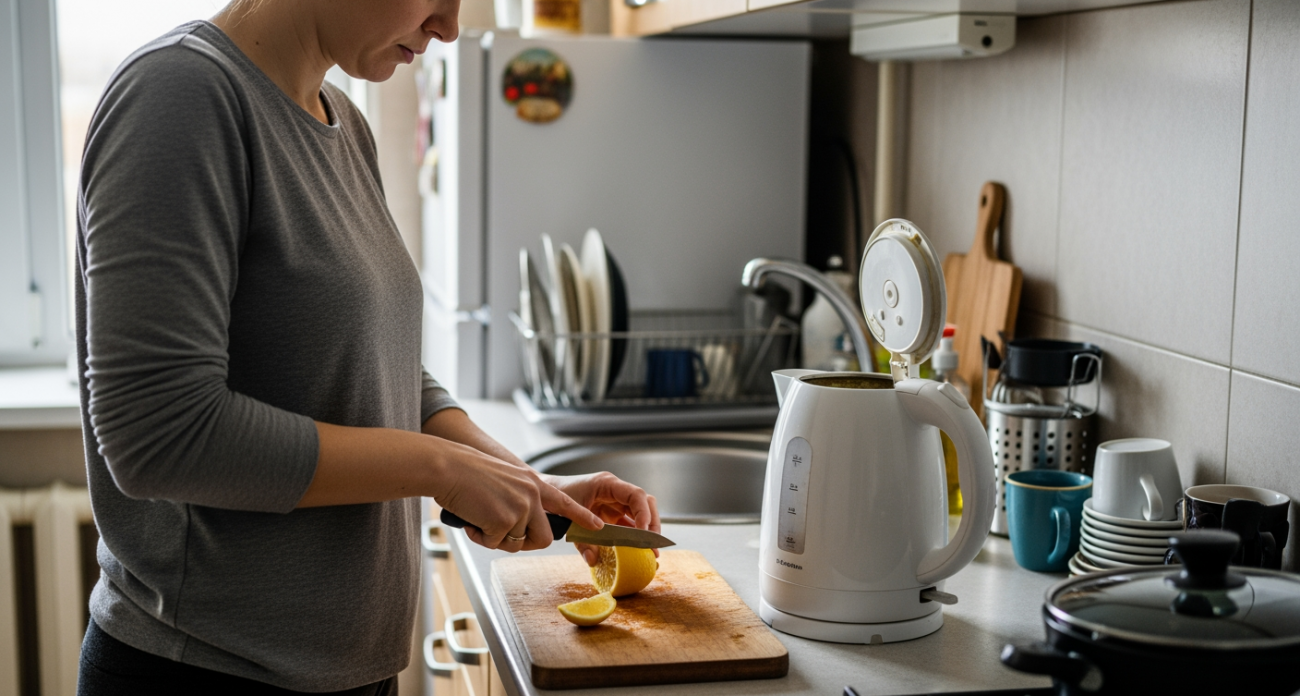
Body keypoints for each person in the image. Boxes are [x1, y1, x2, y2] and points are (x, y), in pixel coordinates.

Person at [73, 0, 659, 693]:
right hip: (207, 670)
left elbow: (380, 368)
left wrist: (534, 486)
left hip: (349, 672)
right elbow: (158, 435)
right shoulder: (180, 96)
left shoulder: (343, 121)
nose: (449, 24)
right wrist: (438, 468)